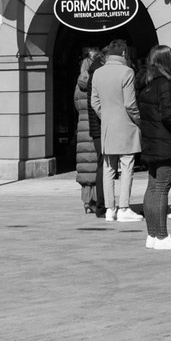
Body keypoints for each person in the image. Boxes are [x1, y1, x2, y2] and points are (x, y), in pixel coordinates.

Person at [136, 46, 171, 251]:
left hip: (152, 142)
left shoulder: (147, 84)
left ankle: (152, 234)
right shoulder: (165, 84)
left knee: (153, 187)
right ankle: (161, 235)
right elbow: (170, 116)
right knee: (161, 188)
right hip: (166, 143)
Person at [90, 40, 141, 222]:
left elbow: (94, 102)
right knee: (127, 166)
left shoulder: (98, 72)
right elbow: (130, 103)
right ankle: (124, 207)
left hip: (107, 126)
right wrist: (139, 120)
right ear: (124, 54)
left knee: (109, 167)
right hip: (126, 124)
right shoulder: (127, 72)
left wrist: (106, 116)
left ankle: (110, 208)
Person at [73, 52, 106, 218]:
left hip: (82, 127)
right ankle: (95, 199)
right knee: (96, 164)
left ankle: (86, 200)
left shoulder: (78, 86)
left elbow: (76, 105)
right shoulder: (96, 82)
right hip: (94, 125)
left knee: (85, 165)